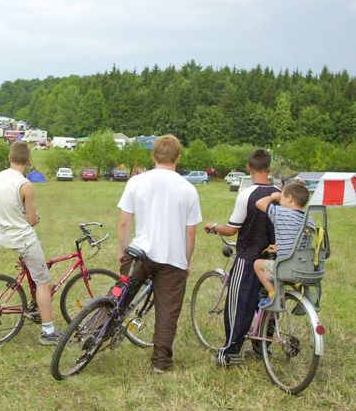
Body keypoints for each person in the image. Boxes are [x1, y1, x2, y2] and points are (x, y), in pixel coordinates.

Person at [117, 134, 201, 373]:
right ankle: (161, 362)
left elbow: (124, 223)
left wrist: (122, 252)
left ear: (153, 155)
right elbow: (191, 233)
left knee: (119, 298)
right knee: (167, 311)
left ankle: (95, 333)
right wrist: (185, 261)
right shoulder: (188, 189)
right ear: (178, 157)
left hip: (139, 253)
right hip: (172, 259)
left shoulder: (136, 182)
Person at [204, 149, 280, 366]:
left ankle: (231, 350)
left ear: (248, 168)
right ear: (269, 168)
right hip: (272, 259)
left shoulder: (247, 194)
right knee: (269, 301)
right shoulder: (281, 193)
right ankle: (262, 346)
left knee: (237, 304)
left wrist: (214, 226)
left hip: (248, 258)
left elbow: (231, 229)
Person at [0, 142, 61, 345]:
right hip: (23, 237)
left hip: (5, 234)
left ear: (9, 157)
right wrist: (36, 217)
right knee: (43, 282)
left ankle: (36, 307)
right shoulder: (25, 185)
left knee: (34, 274)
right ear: (29, 161)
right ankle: (48, 331)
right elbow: (31, 220)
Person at [253, 182, 310, 309]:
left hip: (286, 268)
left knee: (257, 264)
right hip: (304, 267)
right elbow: (299, 243)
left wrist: (274, 197)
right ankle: (303, 294)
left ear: (289, 198)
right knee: (292, 271)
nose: (280, 200)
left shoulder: (281, 213)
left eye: (282, 197)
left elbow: (259, 203)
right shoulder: (308, 219)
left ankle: (273, 295)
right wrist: (279, 248)